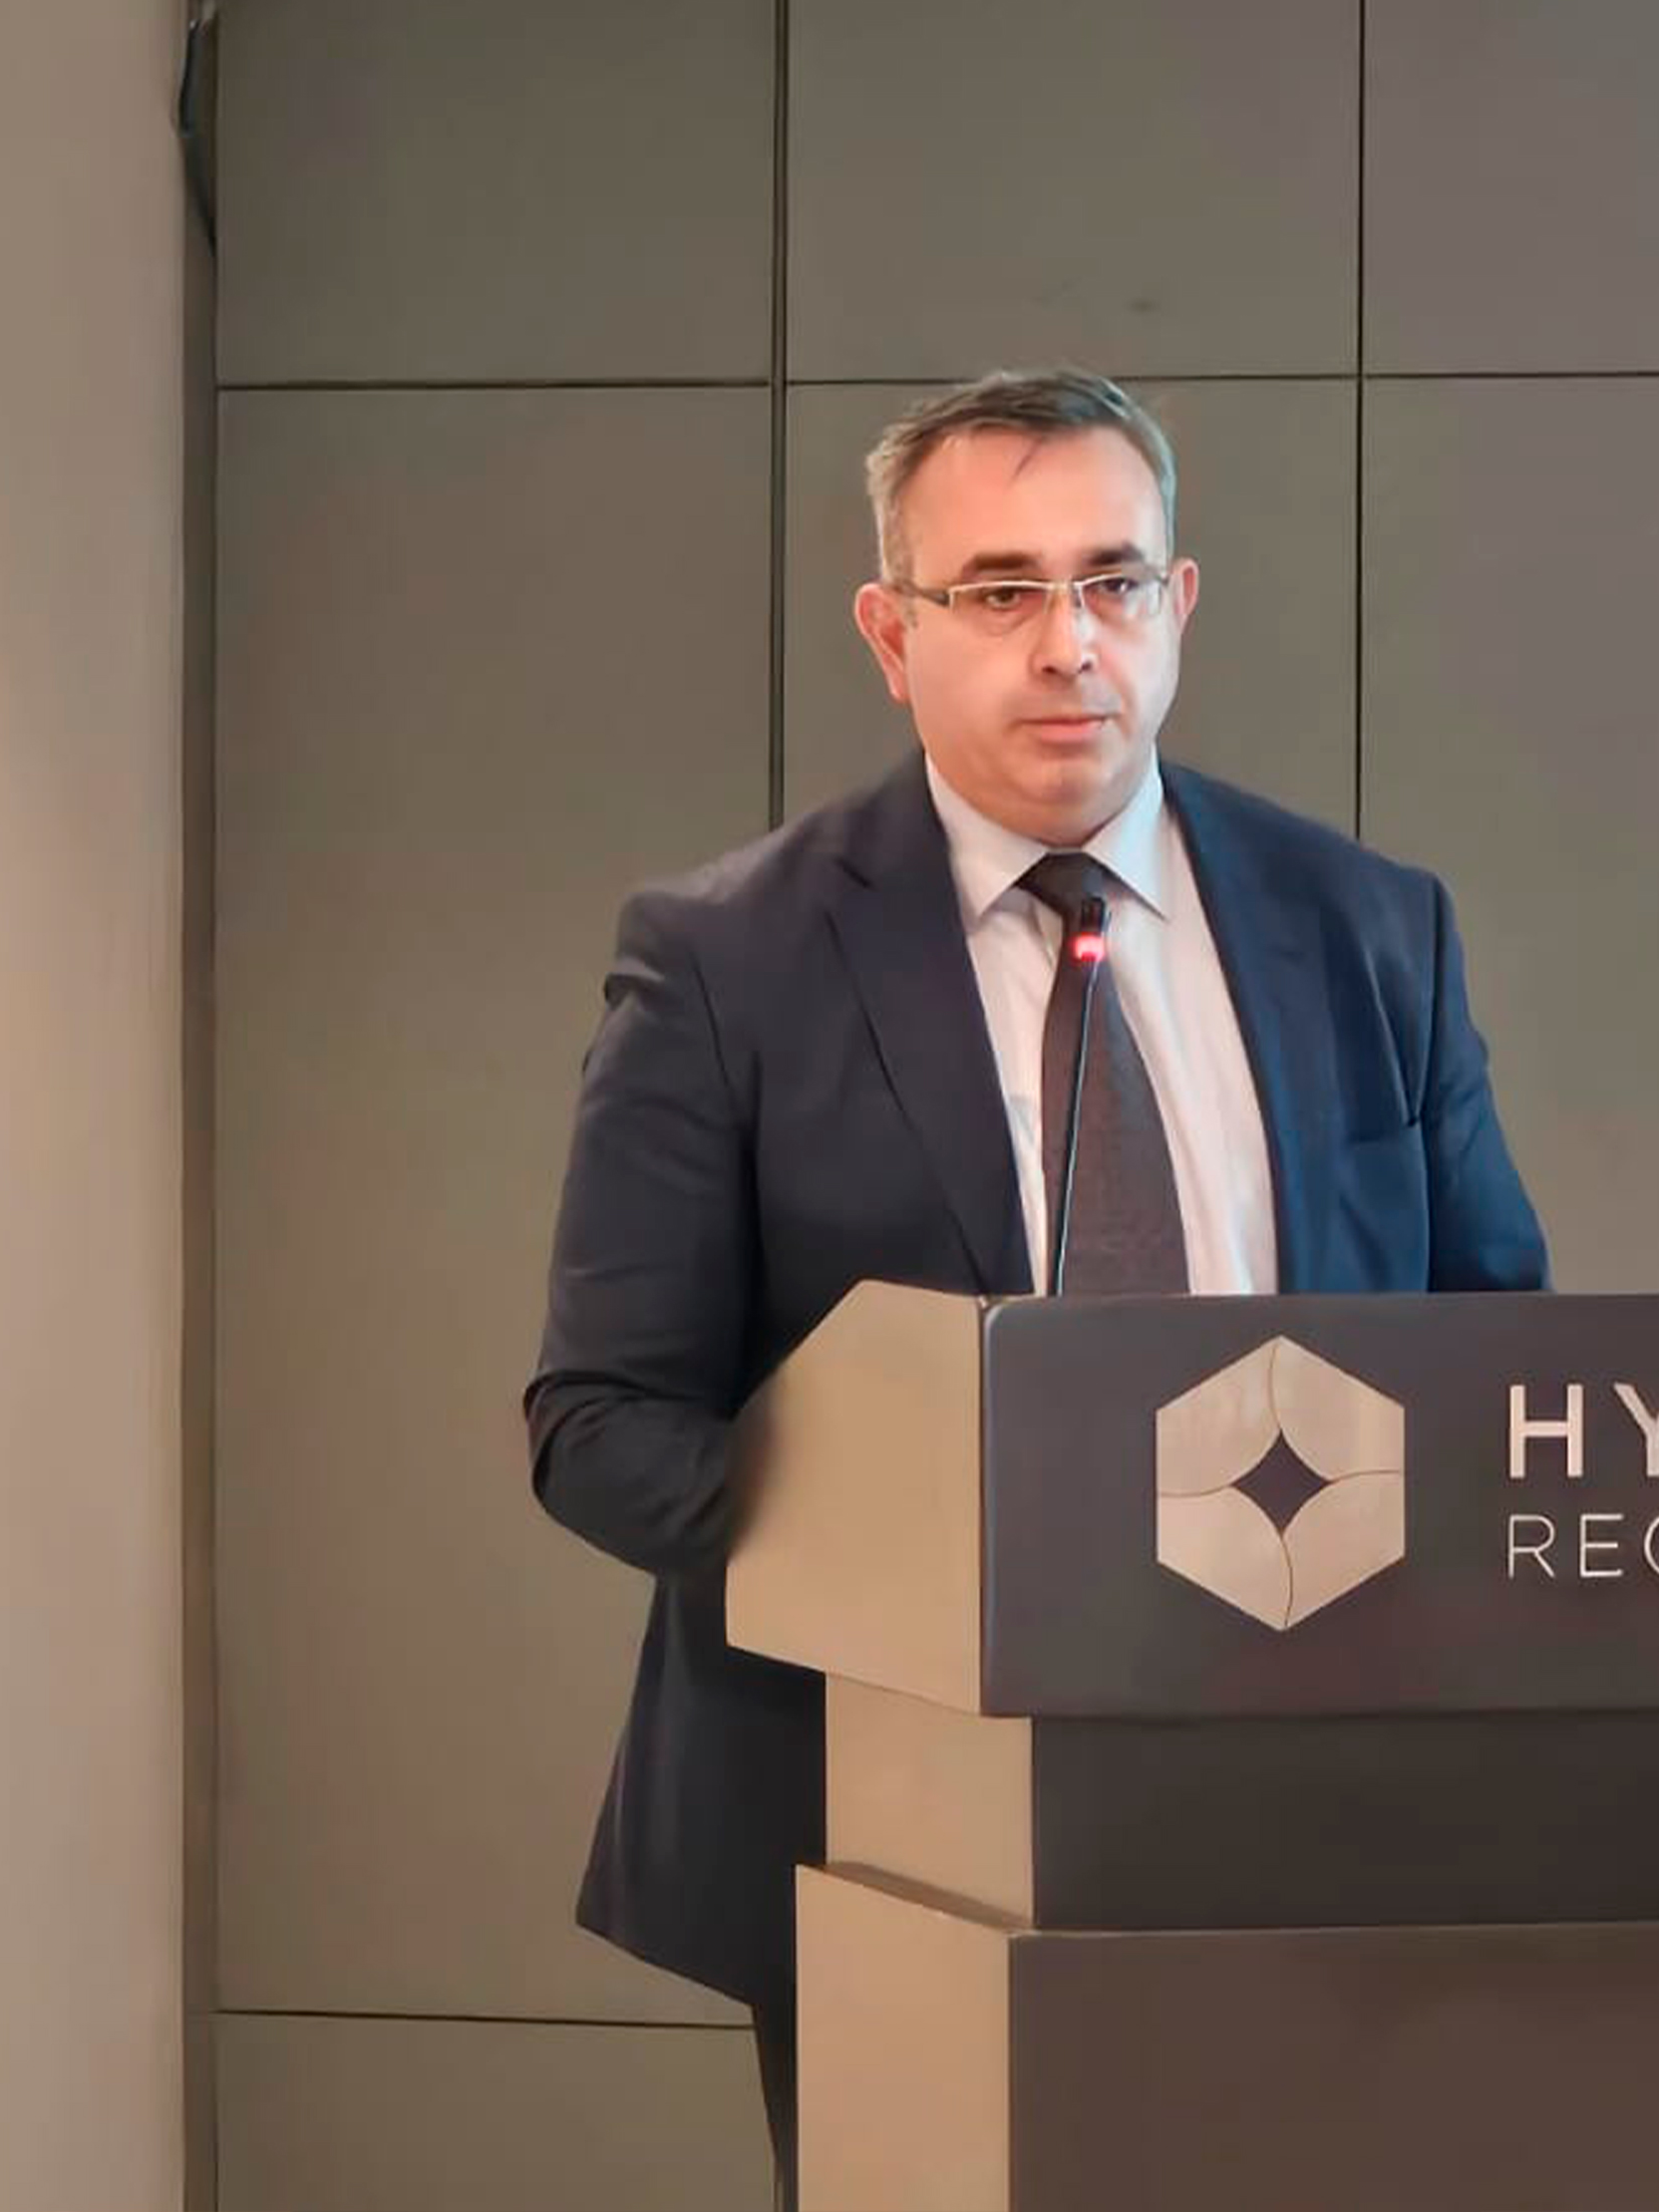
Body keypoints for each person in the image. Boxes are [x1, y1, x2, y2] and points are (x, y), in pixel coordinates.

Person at [519, 368, 1550, 2201]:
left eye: (1112, 581)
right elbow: (603, 1426)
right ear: (889, 636)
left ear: (1180, 608)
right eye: (998, 592)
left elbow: (1493, 1353)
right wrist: (930, 1570)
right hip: (895, 1818)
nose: (1067, 643)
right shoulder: (728, 961)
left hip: (1318, 1806)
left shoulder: (1370, 927)